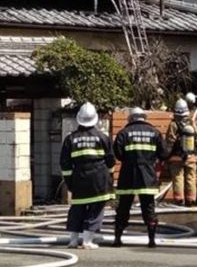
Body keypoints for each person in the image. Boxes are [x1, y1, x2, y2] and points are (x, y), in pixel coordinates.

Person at [60, 102, 115, 249]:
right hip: (99, 180)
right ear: (95, 119)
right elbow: (111, 161)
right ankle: (87, 241)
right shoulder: (103, 137)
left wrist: (70, 182)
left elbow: (65, 164)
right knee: (95, 209)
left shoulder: (70, 139)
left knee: (77, 209)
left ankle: (72, 241)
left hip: (79, 179)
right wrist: (110, 180)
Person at [113, 107, 167, 248]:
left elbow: (118, 154)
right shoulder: (155, 133)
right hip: (147, 176)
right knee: (149, 208)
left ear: (130, 118)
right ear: (144, 117)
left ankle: (118, 239)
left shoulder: (123, 133)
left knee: (123, 208)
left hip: (127, 175)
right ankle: (151, 240)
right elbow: (163, 154)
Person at [165, 98, 197, 206]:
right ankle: (191, 199)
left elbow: (170, 140)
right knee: (191, 178)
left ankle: (179, 199)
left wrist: (166, 155)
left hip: (176, 157)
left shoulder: (173, 124)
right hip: (191, 156)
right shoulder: (191, 123)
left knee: (178, 177)